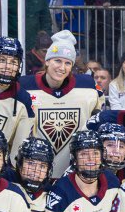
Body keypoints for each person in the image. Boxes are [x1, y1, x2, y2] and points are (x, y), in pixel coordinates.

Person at [24, 30, 104, 176]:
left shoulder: (87, 87)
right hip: (34, 173)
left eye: (68, 63)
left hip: (74, 175)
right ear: (47, 61)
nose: (62, 68)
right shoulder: (26, 87)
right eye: (57, 61)